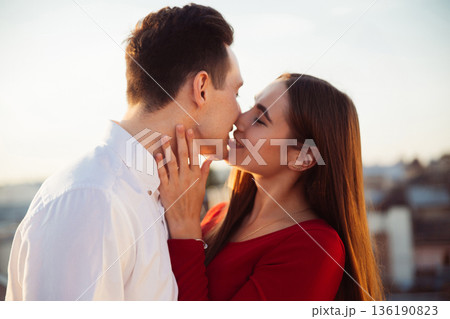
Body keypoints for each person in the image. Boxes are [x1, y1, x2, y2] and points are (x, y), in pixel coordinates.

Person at [5, 4, 243, 300]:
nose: (240, 112)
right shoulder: (95, 199)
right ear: (202, 88)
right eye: (237, 92)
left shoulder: (150, 195)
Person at [156, 73, 385, 301]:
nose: (239, 119)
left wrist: (186, 231)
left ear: (302, 157)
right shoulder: (219, 216)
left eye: (259, 119)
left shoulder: (316, 247)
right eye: (250, 107)